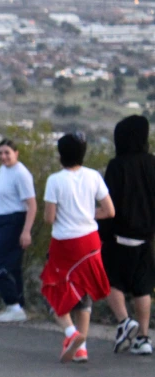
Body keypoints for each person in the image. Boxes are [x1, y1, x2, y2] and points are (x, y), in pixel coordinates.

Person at [40, 133, 115, 363]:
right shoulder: (93, 176)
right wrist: (87, 214)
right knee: (84, 291)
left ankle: (72, 333)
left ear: (60, 154)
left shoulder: (55, 180)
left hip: (65, 244)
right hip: (90, 242)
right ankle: (82, 348)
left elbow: (49, 218)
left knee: (52, 289)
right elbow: (109, 211)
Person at [100, 115, 155, 356]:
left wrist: (102, 234)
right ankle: (143, 338)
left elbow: (107, 203)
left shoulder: (117, 166)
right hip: (146, 237)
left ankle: (124, 321)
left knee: (110, 281)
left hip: (118, 237)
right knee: (143, 288)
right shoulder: (152, 164)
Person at [0, 139, 37, 323]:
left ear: (16, 153)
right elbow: (5, 198)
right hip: (4, 220)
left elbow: (32, 205)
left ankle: (12, 305)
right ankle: (19, 305)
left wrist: (26, 231)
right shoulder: (3, 171)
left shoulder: (21, 174)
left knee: (0, 263)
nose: (3, 156)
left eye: (7, 152)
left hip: (16, 221)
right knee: (14, 266)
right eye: (0, 153)